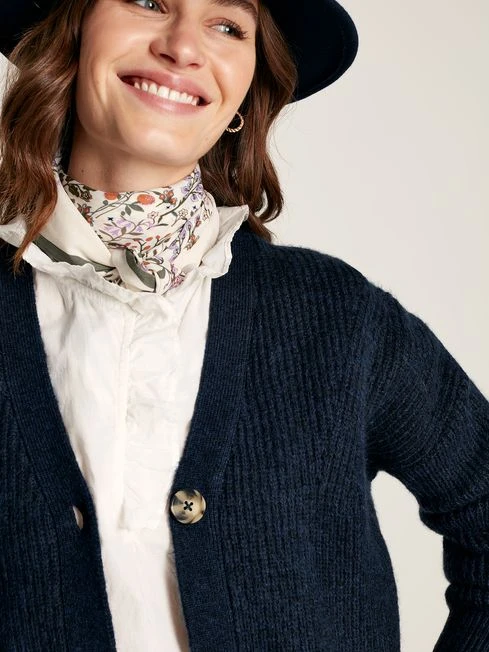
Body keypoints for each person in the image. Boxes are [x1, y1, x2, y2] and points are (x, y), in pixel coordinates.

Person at [0, 1, 487, 650]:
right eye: (147, 1)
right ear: (73, 32)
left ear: (245, 90)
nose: (182, 46)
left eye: (227, 26)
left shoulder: (337, 318)